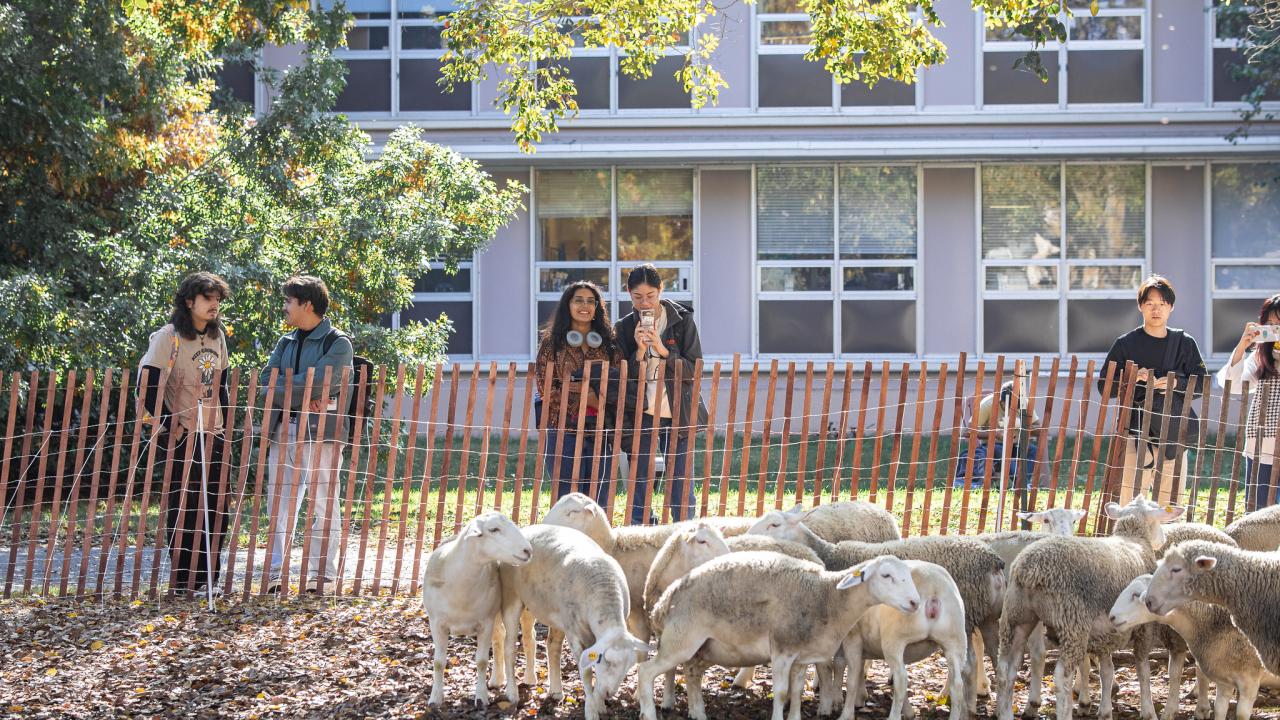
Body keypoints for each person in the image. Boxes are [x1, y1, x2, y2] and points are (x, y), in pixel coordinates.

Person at [138, 271, 232, 597]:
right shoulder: (169, 337)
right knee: (185, 506)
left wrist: (227, 425)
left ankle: (209, 580)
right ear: (189, 301)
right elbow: (147, 386)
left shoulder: (219, 337)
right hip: (184, 434)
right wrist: (169, 424)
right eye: (208, 298)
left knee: (218, 507)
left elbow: (222, 385)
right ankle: (182, 582)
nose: (215, 305)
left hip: (214, 433)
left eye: (218, 299)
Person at [260, 276, 353, 593]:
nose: (284, 307)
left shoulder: (338, 344)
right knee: (279, 504)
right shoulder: (285, 342)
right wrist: (303, 388)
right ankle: (276, 573)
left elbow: (322, 384)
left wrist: (291, 385)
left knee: (324, 505)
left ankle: (320, 576)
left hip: (322, 434)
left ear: (307, 305)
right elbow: (266, 383)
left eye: (289, 301)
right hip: (283, 429)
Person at [1098, 275, 1207, 506]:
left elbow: (1202, 385)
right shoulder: (1125, 344)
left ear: (1171, 307)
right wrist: (1131, 377)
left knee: (1170, 504)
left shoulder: (1184, 343)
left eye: (1162, 304)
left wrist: (1175, 384)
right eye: (1150, 304)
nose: (1156, 309)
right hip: (1135, 431)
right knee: (1131, 502)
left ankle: (1167, 542)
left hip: (1174, 431)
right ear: (1140, 306)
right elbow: (1104, 388)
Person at [614, 264, 704, 524]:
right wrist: (640, 351)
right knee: (640, 476)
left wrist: (663, 350)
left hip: (677, 411)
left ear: (661, 290)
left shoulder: (682, 320)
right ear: (629, 294)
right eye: (638, 297)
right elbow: (624, 378)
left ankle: (684, 530)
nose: (645, 303)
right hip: (642, 412)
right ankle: (639, 529)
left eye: (651, 296)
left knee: (680, 478)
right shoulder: (623, 328)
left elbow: (694, 369)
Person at [534, 280, 622, 505]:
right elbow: (545, 387)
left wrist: (594, 398)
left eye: (591, 301)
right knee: (567, 499)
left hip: (600, 428)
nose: (585, 306)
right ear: (568, 305)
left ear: (597, 308)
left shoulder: (609, 344)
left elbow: (619, 384)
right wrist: (580, 398)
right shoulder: (552, 343)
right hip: (563, 428)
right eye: (578, 300)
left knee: (597, 499)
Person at [1216, 293, 1280, 510]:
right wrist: (1243, 345)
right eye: (1270, 324)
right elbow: (1234, 385)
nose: (1275, 330)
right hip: (1262, 445)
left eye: (1279, 324)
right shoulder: (1260, 356)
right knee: (1259, 513)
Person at [954, 379, 1042, 491]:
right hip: (993, 445)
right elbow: (969, 431)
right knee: (999, 451)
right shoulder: (988, 404)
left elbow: (1039, 428)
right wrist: (995, 434)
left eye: (1018, 407)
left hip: (1018, 444)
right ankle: (1020, 483)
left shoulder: (1025, 403)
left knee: (1033, 451)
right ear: (1002, 401)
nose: (1014, 410)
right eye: (1011, 406)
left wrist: (1021, 426)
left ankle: (1023, 482)